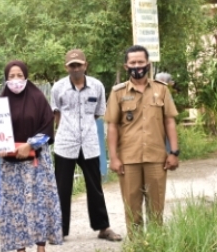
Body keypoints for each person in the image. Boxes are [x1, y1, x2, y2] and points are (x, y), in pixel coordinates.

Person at [105, 45, 180, 234]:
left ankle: (156, 249)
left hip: (157, 159)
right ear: (126, 66)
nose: (137, 66)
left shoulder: (161, 90)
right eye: (133, 62)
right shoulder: (118, 93)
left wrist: (174, 152)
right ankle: (137, 250)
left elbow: (169, 121)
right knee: (132, 210)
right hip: (128, 160)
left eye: (140, 62)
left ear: (148, 64)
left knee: (156, 209)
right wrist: (113, 157)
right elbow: (113, 126)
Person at [0, 61, 62, 252]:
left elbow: (47, 126)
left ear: (26, 76)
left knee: (39, 204)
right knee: (15, 207)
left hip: (36, 163)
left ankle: (41, 251)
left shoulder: (37, 98)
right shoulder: (1, 102)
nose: (15, 80)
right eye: (12, 76)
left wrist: (30, 144)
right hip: (10, 165)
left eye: (19, 75)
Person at [51, 49, 121, 242]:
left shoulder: (97, 86)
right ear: (66, 67)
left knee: (95, 186)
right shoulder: (58, 88)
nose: (76, 69)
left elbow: (98, 113)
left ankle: (103, 228)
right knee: (62, 187)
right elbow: (56, 113)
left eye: (79, 65)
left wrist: (85, 129)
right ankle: (59, 230)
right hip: (65, 143)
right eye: (72, 65)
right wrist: (66, 129)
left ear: (85, 65)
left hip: (89, 143)